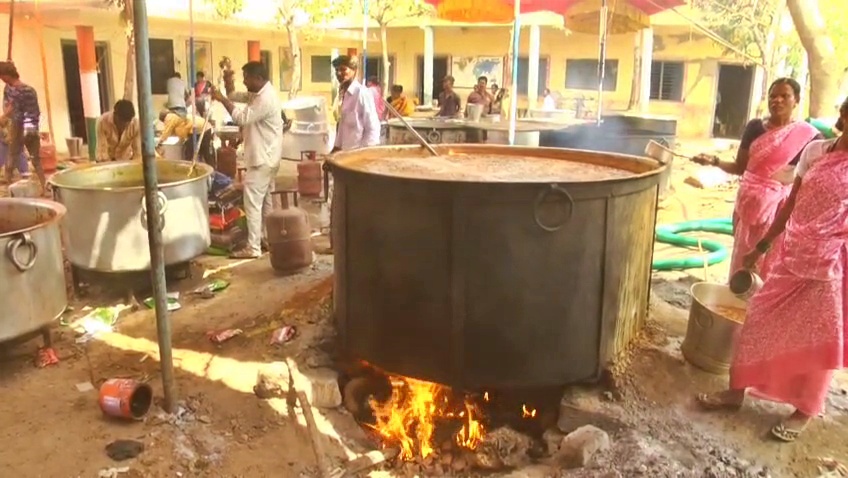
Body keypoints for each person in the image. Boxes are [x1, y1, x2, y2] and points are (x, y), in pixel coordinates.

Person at [696, 97, 848, 443]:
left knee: (819, 338)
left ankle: (804, 411)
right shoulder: (816, 153)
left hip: (831, 265)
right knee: (758, 318)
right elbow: (792, 202)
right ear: (843, 116)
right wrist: (762, 246)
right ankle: (736, 392)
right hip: (794, 254)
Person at [691, 78, 820, 281]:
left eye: (784, 96)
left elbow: (815, 180)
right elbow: (740, 168)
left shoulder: (809, 137)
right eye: (772, 96)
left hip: (779, 211)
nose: (777, 100)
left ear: (796, 100)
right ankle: (735, 303)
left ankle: (761, 307)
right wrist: (713, 161)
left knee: (770, 262)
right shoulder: (754, 128)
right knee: (742, 258)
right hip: (748, 206)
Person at [211, 61, 283, 259]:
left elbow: (241, 118)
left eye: (247, 78)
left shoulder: (265, 99)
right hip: (268, 157)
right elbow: (235, 96)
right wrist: (227, 82)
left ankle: (253, 247)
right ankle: (267, 239)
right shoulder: (259, 94)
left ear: (258, 78)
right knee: (266, 203)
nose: (244, 81)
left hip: (262, 159)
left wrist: (221, 99)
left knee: (252, 204)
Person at [0, 61, 45, 193]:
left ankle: (44, 187)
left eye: (2, 76)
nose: (1, 79)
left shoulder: (22, 90)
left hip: (24, 126)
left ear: (7, 75)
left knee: (22, 157)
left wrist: (3, 118)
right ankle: (43, 187)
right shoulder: (15, 89)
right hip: (24, 126)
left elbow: (13, 109)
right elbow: (10, 107)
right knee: (24, 157)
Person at [331, 55, 380, 151]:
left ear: (354, 71)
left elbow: (373, 128)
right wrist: (335, 150)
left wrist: (362, 155)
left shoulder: (362, 93)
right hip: (344, 153)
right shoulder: (343, 94)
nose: (339, 73)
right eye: (336, 70)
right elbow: (342, 127)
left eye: (343, 69)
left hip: (358, 155)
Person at [0, 99, 28, 178]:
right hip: (4, 142)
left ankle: (24, 173)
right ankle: (10, 173)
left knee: (20, 154)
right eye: (6, 106)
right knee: (2, 153)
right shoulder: (5, 117)